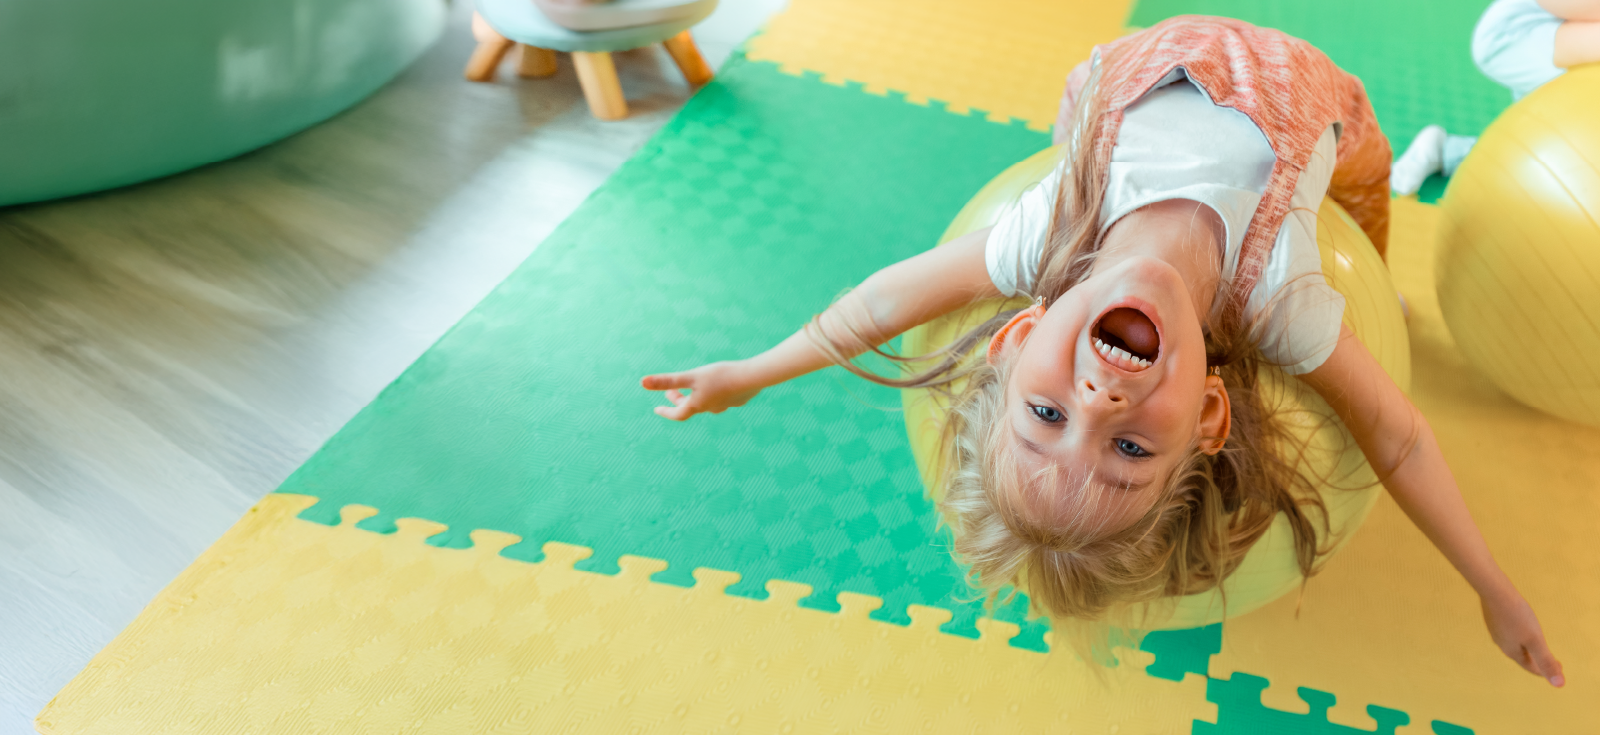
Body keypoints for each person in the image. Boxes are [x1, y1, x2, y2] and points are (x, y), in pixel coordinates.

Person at [641, 16, 1565, 686]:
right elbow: (1396, 438)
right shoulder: (1284, 297)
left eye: (1045, 415)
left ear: (1018, 333)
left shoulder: (1042, 232)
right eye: (1129, 451)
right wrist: (1492, 586)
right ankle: (1382, 278)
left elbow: (886, 297)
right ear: (1208, 415)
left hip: (1128, 70)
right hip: (1310, 91)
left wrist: (752, 372)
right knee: (1365, 202)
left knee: (1084, 113)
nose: (1098, 401)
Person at [1391, 0, 1600, 195]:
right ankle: (1445, 151)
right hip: (1518, 32)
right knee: (1541, 161)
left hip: (1552, 52)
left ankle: (1446, 150)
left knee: (1538, 156)